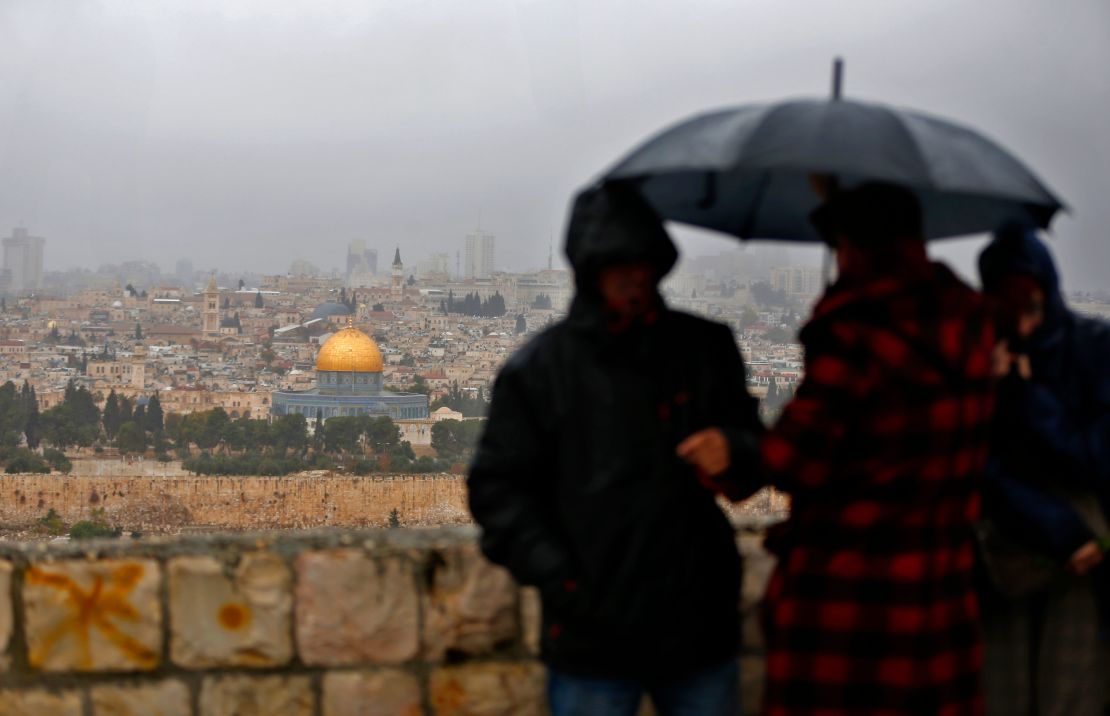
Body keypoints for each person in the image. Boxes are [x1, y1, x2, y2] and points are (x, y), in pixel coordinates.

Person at [467, 182, 763, 716]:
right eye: (615, 265)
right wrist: (565, 580)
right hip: (591, 635)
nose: (632, 278)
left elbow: (755, 460)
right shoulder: (542, 370)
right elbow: (497, 491)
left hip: (694, 620)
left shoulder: (703, 350)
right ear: (588, 270)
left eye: (641, 263)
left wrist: (735, 452)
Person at [714, 182, 996, 714]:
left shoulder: (858, 334)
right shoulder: (971, 324)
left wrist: (732, 454)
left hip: (853, 601)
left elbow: (791, 460)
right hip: (941, 597)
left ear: (853, 246)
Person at [977, 225, 1110, 716]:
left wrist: (1028, 398)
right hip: (1010, 553)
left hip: (1081, 558)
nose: (1024, 328)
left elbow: (1097, 459)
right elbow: (976, 465)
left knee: (1070, 693)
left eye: (1031, 310)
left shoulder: (1091, 349)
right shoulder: (983, 356)